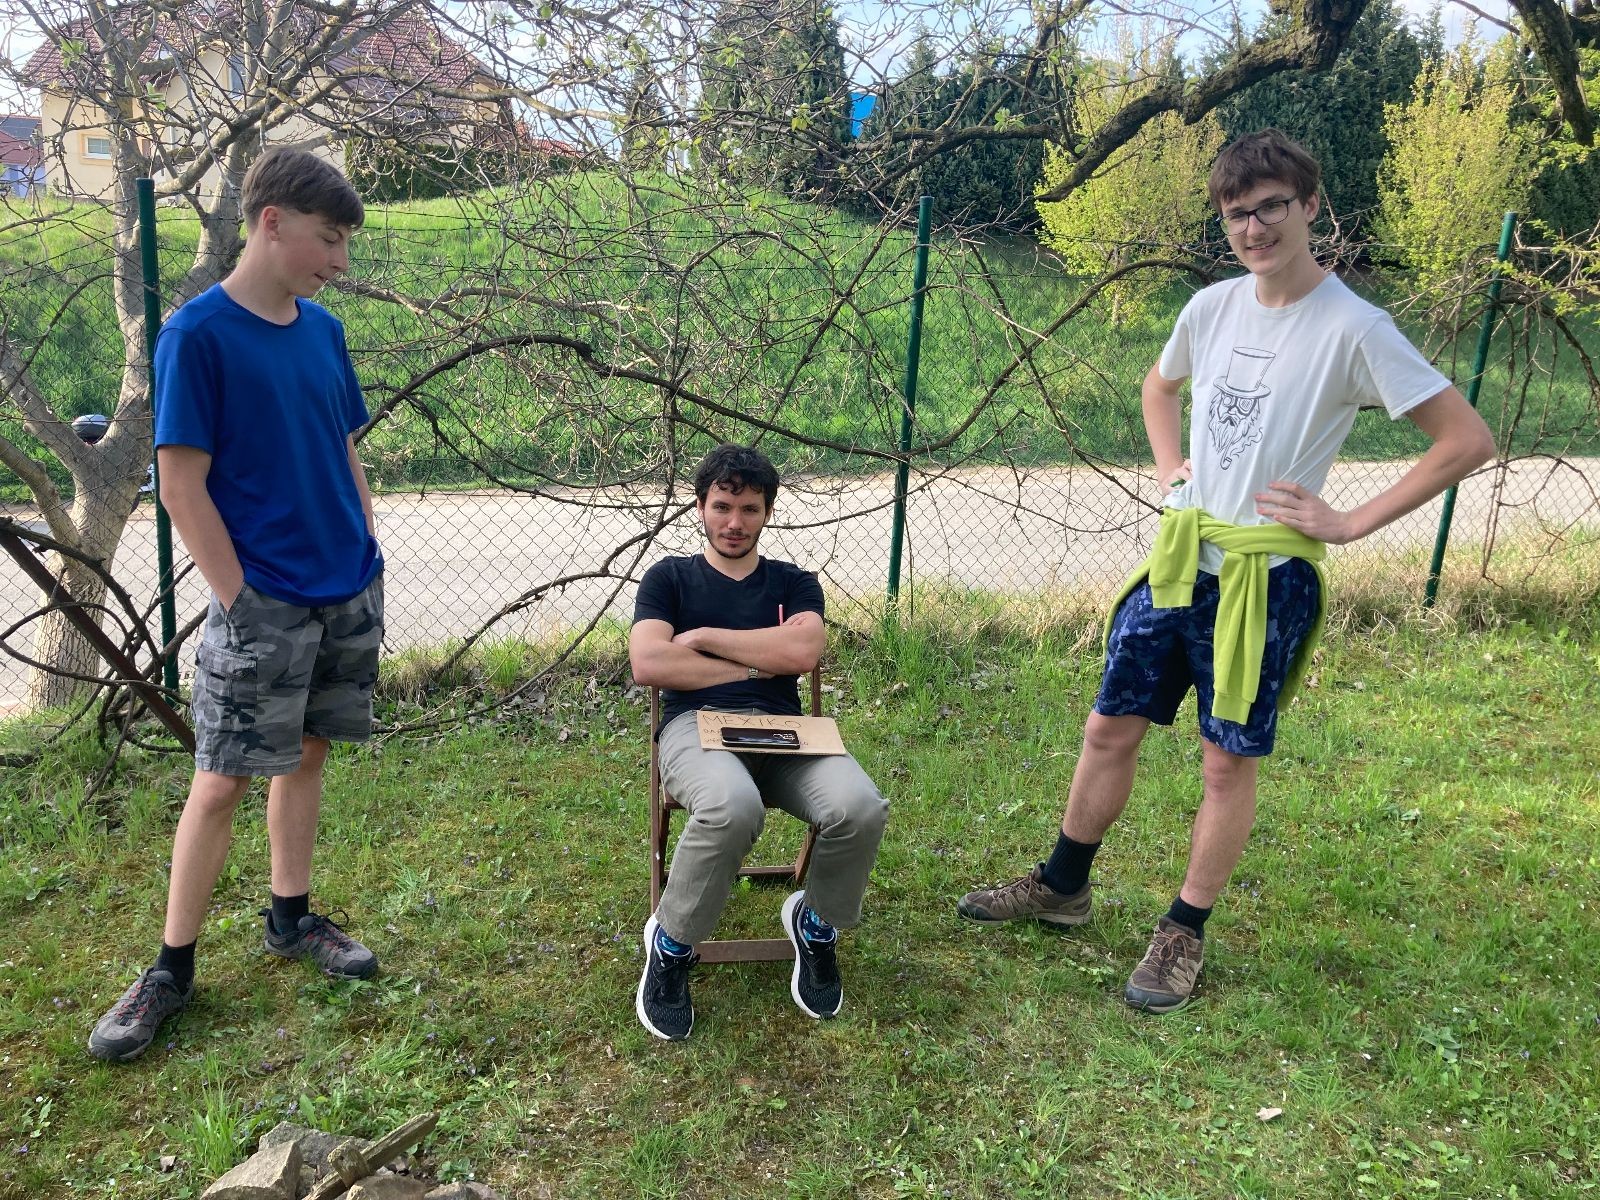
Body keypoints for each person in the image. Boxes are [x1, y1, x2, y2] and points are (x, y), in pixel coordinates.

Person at [957, 129, 1496, 1013]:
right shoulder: (1210, 308)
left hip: (1264, 579)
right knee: (1107, 728)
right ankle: (1062, 885)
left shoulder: (1355, 328)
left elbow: (1465, 440)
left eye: (1272, 206)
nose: (1254, 228)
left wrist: (1350, 521)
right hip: (1181, 560)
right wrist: (1171, 471)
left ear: (1310, 205)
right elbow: (1158, 387)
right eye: (1237, 213)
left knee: (1224, 763)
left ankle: (1184, 930)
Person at [89, 148, 384, 1062]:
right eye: (328, 239)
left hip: (345, 586)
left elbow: (343, 446)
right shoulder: (197, 334)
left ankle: (290, 919)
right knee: (220, 778)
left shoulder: (323, 331)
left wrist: (367, 543)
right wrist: (239, 599)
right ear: (272, 222)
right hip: (263, 600)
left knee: (310, 752)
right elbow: (181, 485)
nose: (339, 261)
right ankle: (169, 971)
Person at [630, 444, 888, 1040]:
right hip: (695, 728)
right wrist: (758, 661)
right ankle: (671, 944)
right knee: (732, 805)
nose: (734, 522)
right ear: (700, 507)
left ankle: (814, 925)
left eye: (749, 509)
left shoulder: (793, 583)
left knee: (860, 806)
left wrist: (704, 638)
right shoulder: (670, 577)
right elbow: (650, 662)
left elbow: (804, 651)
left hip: (784, 733)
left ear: (767, 512)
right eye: (722, 506)